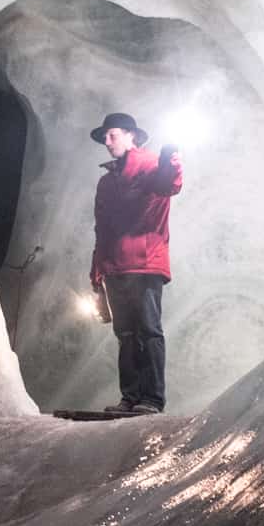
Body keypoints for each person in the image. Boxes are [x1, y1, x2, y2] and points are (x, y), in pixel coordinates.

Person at [88, 111, 184, 416]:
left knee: (148, 331)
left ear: (131, 136)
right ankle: (130, 397)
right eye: (104, 136)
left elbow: (169, 184)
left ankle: (152, 400)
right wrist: (96, 275)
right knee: (125, 335)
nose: (106, 141)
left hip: (145, 264)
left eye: (112, 134)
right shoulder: (105, 183)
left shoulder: (151, 165)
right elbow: (101, 230)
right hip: (114, 269)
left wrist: (171, 156)